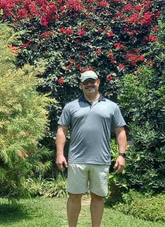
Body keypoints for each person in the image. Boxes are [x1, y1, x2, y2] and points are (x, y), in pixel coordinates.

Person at [56, 70, 127, 227]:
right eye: (86, 82)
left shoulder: (112, 107)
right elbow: (62, 130)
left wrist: (122, 155)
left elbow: (120, 131)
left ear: (98, 82)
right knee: (74, 196)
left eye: (92, 81)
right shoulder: (71, 106)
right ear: (81, 85)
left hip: (101, 160)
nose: (89, 84)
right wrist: (60, 154)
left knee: (98, 197)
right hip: (77, 160)